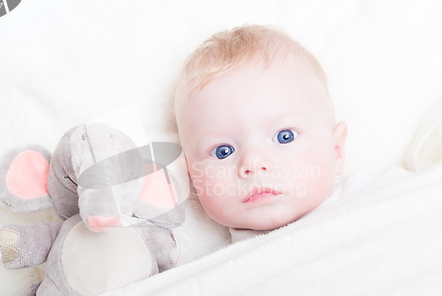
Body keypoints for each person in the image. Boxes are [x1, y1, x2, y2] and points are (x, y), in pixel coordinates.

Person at [173, 24, 409, 243]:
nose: (253, 163)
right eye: (223, 151)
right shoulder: (216, 271)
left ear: (335, 151)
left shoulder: (385, 194)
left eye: (284, 136)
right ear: (194, 177)